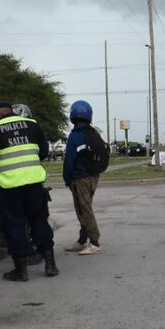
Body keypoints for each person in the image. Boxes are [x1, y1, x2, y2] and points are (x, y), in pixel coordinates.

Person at [0, 101, 57, 281]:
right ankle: (50, 265)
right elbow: (44, 152)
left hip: (9, 185)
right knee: (39, 220)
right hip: (34, 182)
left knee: (15, 225)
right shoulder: (32, 124)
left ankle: (21, 270)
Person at [63, 100, 102, 255]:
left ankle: (94, 241)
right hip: (94, 177)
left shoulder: (75, 136)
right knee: (85, 208)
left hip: (80, 178)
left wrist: (67, 178)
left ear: (72, 115)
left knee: (84, 210)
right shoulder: (93, 133)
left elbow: (69, 160)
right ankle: (81, 240)